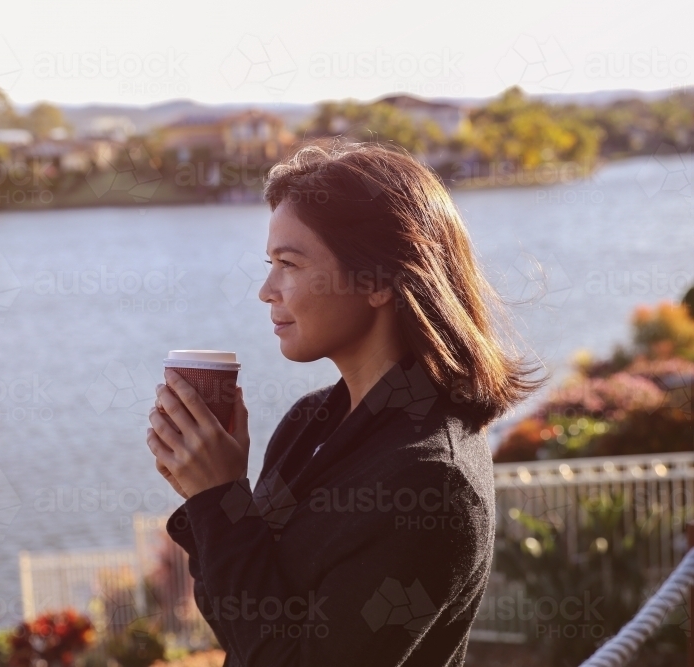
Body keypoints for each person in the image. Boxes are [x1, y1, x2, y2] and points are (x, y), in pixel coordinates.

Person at [146, 139, 546, 666]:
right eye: (270, 262)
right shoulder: (310, 422)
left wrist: (219, 497)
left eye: (289, 263)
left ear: (378, 279)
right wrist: (211, 498)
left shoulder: (430, 482)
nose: (267, 290)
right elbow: (246, 621)